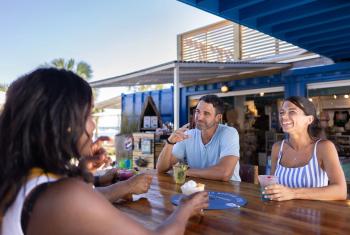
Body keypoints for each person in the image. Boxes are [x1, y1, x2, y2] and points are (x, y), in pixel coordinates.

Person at [0, 68, 208, 235]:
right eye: (89, 114)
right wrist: (186, 208)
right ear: (64, 123)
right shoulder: (64, 195)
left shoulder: (22, 177)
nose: (93, 125)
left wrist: (90, 172)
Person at [266, 96, 347, 201]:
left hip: (314, 215)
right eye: (282, 112)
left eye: (292, 112)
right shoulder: (277, 148)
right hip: (283, 215)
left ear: (309, 119)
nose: (284, 117)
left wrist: (293, 193)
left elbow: (341, 191)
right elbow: (273, 185)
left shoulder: (324, 147)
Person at [157, 95, 240, 181]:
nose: (199, 117)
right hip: (198, 189)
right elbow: (161, 169)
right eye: (197, 111)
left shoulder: (229, 133)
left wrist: (186, 171)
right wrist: (170, 143)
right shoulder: (187, 135)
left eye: (206, 113)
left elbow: (224, 173)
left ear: (218, 118)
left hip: (229, 191)